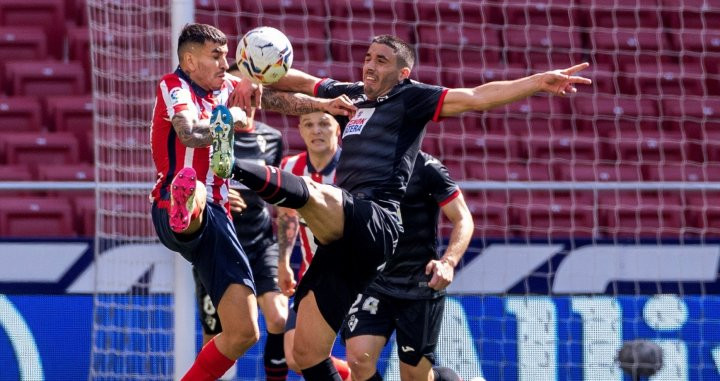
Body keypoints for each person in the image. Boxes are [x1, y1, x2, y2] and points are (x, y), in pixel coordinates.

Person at [220, 34, 591, 380]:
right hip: (346, 238)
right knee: (306, 353)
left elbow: (477, 96)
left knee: (318, 194)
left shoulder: (411, 98)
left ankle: (231, 164)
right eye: (367, 57)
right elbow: (300, 82)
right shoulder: (350, 96)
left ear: (402, 73)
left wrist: (538, 81)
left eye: (381, 60)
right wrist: (252, 76)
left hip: (377, 219)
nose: (369, 65)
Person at [149, 23, 354, 381]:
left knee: (245, 332)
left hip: (221, 218)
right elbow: (188, 133)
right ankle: (187, 207)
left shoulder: (225, 89)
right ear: (189, 60)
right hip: (171, 205)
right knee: (192, 184)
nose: (226, 63)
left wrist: (325, 103)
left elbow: (278, 100)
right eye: (217, 56)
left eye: (226, 55)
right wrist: (228, 121)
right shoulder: (174, 86)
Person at [192, 62, 289, 380]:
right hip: (218, 244)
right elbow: (189, 182)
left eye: (256, 86)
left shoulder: (272, 138)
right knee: (216, 337)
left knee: (277, 318)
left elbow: (278, 193)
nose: (249, 92)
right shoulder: (207, 132)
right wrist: (217, 197)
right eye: (242, 85)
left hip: (260, 243)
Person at [342, 151, 474, 381]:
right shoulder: (362, 163)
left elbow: (463, 218)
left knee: (414, 376)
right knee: (357, 359)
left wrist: (448, 262)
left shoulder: (428, 167)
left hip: (419, 284)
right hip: (374, 280)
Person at [275, 111, 352, 380]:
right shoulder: (290, 168)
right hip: (313, 278)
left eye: (324, 124)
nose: (316, 130)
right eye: (309, 124)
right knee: (295, 356)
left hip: (357, 279)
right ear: (300, 130)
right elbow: (287, 217)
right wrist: (283, 262)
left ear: (338, 130)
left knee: (362, 353)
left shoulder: (354, 168)